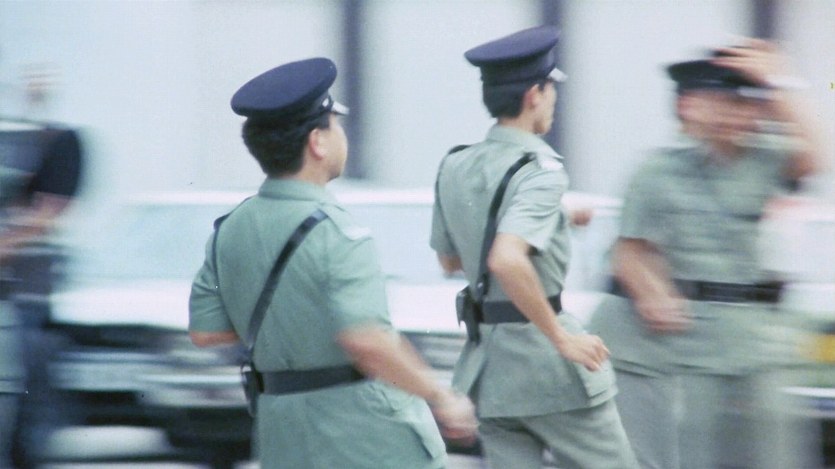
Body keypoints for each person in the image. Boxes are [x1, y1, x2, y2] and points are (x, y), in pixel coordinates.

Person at [188, 57, 477, 469]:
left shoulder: (229, 230)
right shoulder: (338, 232)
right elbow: (367, 340)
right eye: (335, 125)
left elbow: (206, 332)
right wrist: (441, 397)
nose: (342, 135)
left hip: (282, 432)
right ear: (317, 143)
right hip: (364, 437)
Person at [587, 39, 825, 469]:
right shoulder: (656, 172)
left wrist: (780, 82)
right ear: (688, 109)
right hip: (690, 347)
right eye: (719, 104)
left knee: (774, 452)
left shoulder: (763, 159)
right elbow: (629, 250)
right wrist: (650, 291)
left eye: (741, 103)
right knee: (693, 451)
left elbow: (816, 157)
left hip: (756, 343)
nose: (732, 115)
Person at [430, 26, 639, 469]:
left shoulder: (454, 164)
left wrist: (556, 218)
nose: (554, 101)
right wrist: (562, 338)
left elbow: (451, 260)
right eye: (551, 89)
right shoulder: (541, 171)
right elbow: (506, 258)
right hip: (547, 368)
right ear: (534, 95)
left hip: (491, 372)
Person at [1, 66, 84, 467]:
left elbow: (50, 211)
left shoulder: (57, 141)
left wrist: (6, 245)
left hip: (25, 289)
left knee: (26, 389)